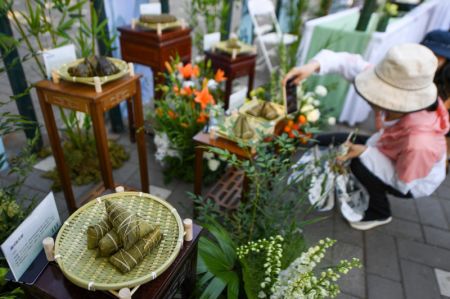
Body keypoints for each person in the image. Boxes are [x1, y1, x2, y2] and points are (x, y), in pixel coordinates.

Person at [284, 43, 450, 230]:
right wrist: (311, 67)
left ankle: (379, 212)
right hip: (391, 148)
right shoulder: (401, 84)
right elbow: (347, 63)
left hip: (414, 178)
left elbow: (404, 182)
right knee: (340, 140)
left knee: (358, 162)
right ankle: (298, 141)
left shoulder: (420, 142)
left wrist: (366, 152)